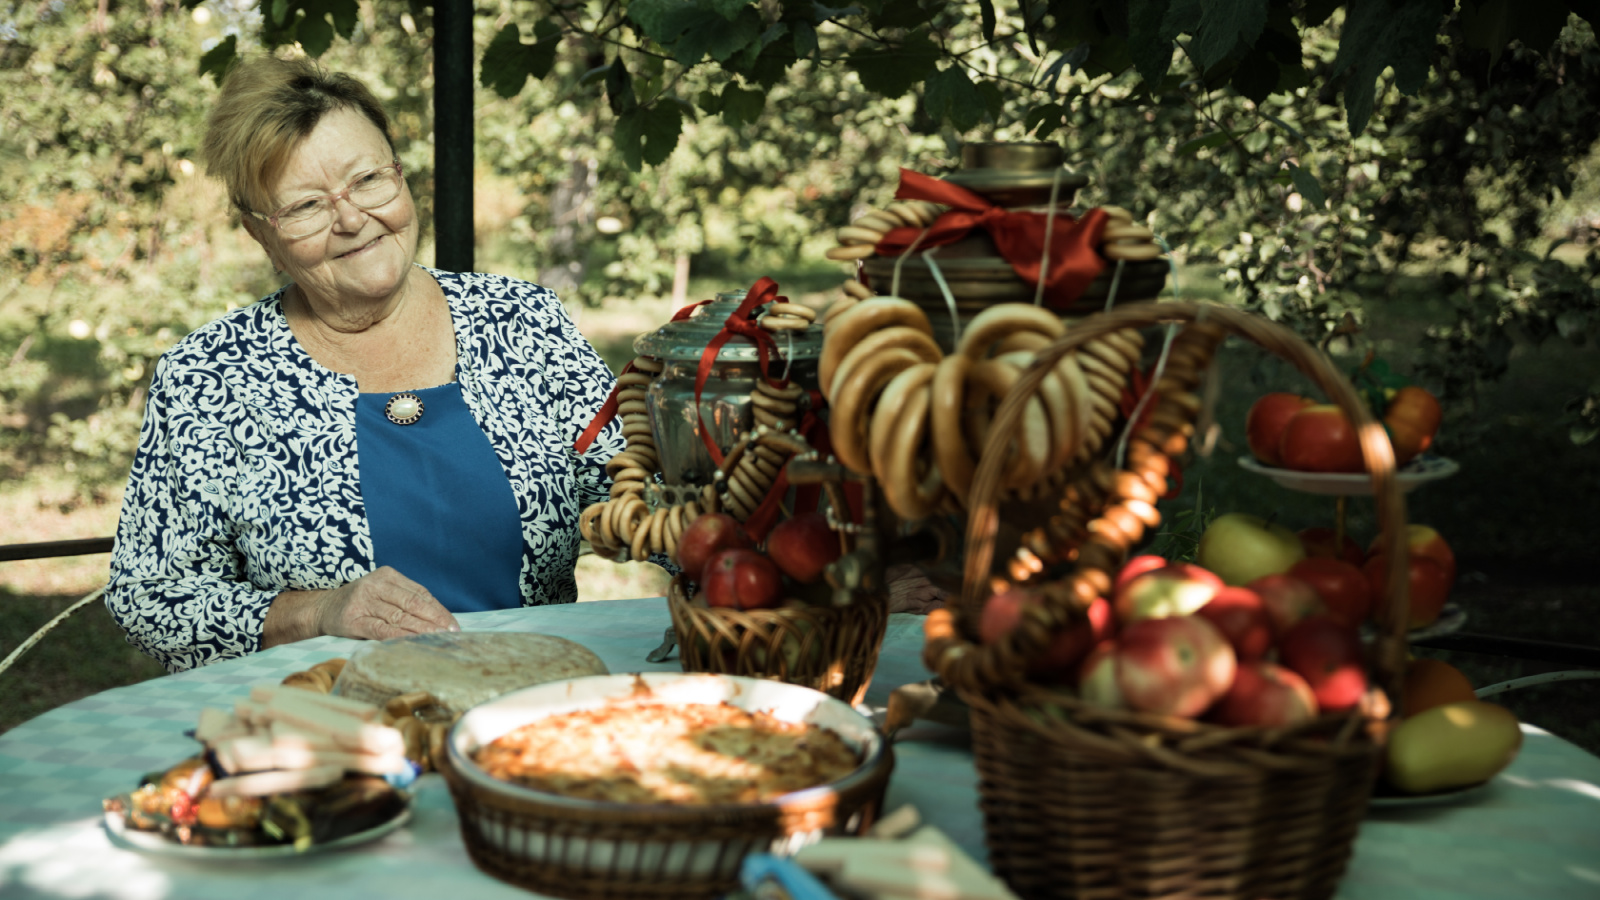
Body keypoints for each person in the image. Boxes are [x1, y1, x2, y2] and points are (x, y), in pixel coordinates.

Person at [105, 55, 628, 672]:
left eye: (369, 180)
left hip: (532, 702)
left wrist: (728, 513)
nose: (352, 219)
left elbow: (632, 487)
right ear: (259, 233)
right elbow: (148, 595)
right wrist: (316, 612)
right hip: (324, 728)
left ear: (402, 176)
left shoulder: (523, 321)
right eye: (305, 207)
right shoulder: (209, 377)